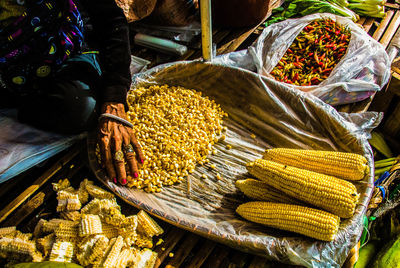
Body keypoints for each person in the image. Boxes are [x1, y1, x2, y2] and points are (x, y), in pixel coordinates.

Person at [0, 0, 143, 186]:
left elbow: (111, 20)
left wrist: (114, 99)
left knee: (79, 109)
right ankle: (18, 98)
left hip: (63, 51)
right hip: (6, 66)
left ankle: (21, 102)